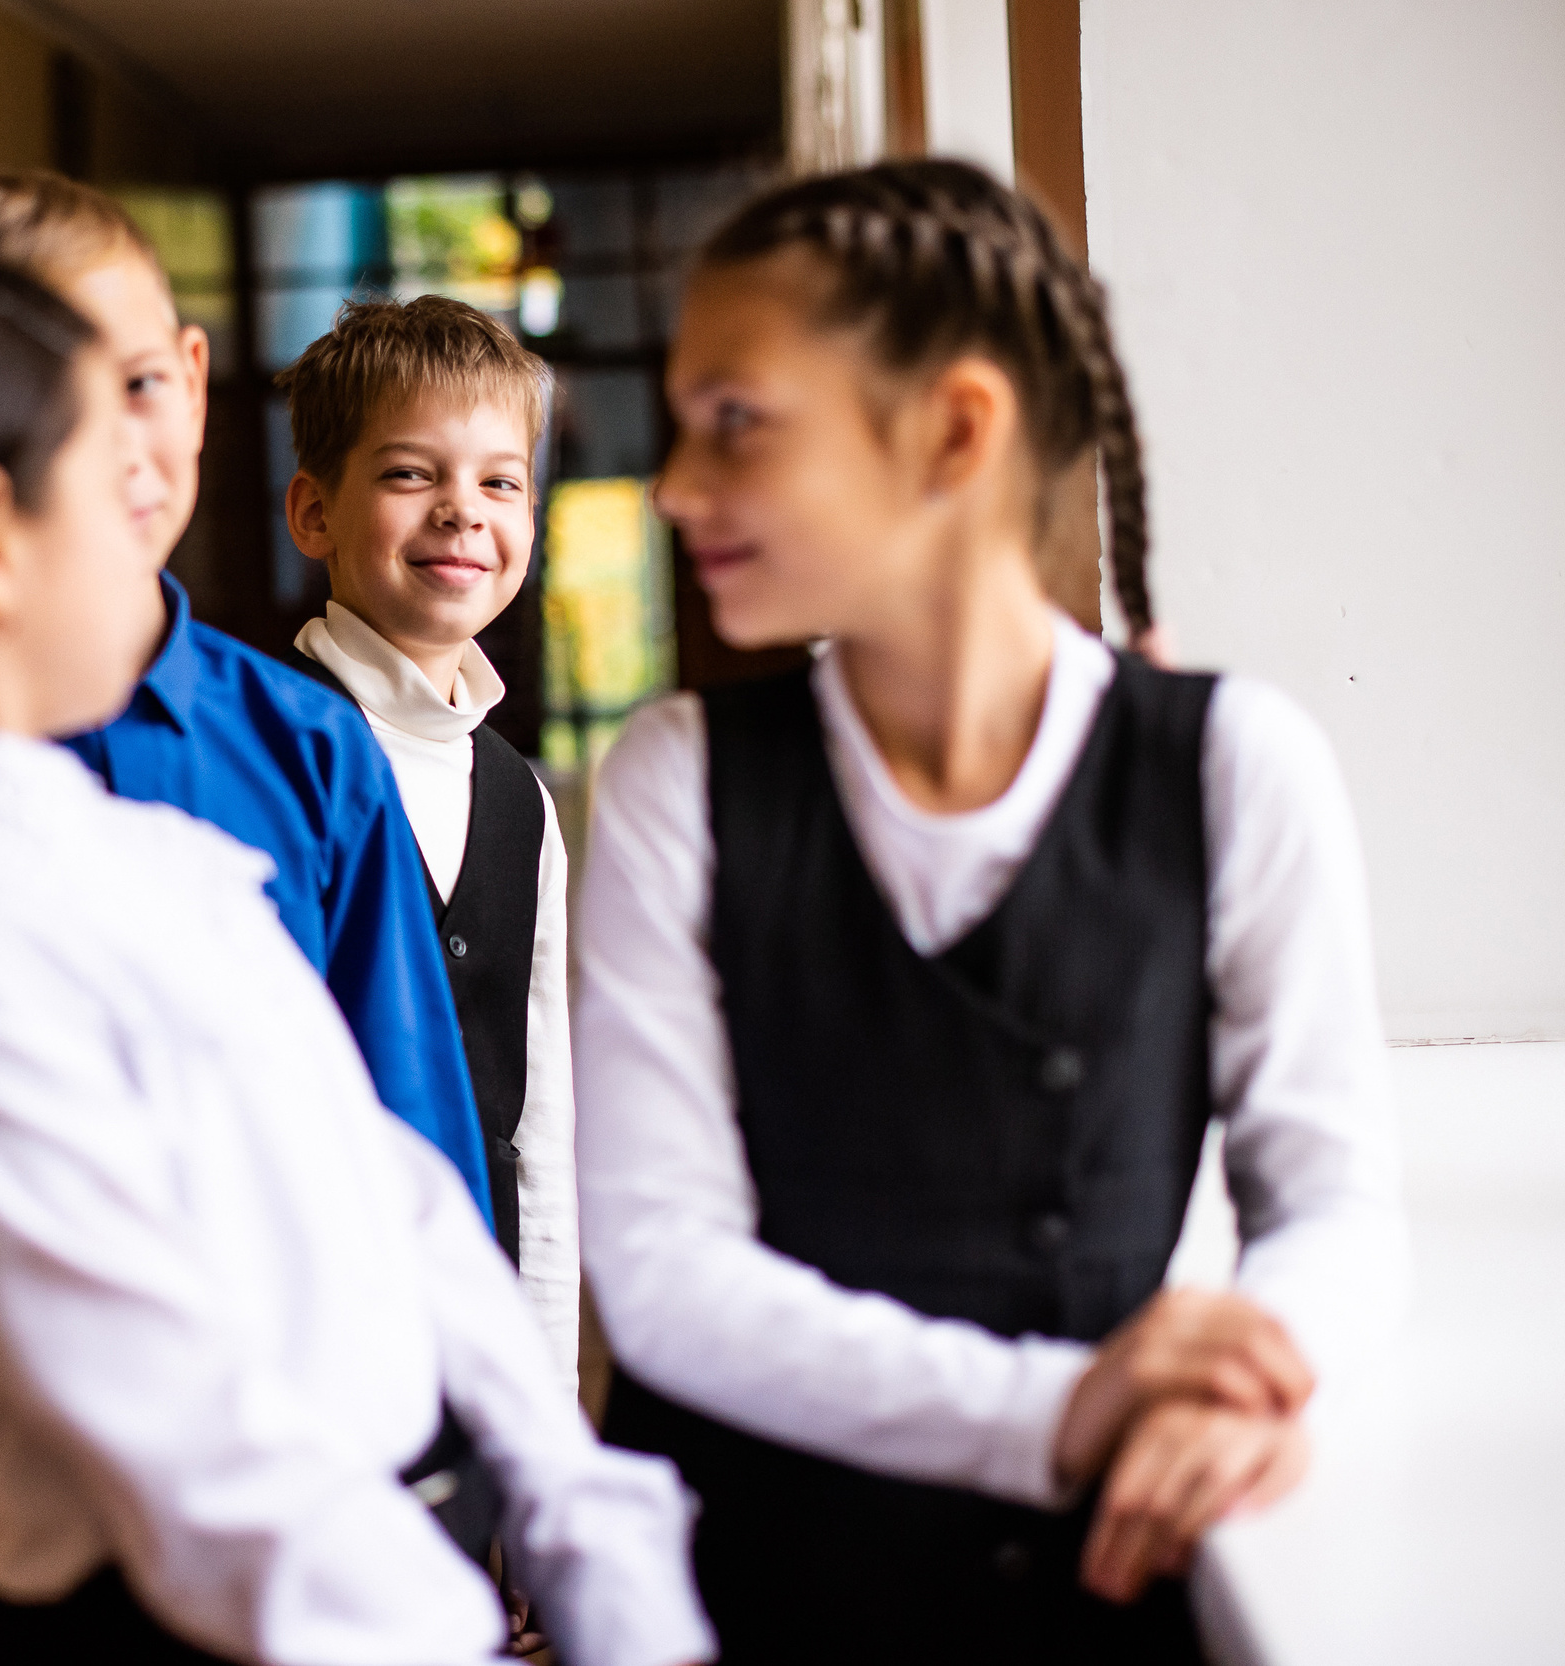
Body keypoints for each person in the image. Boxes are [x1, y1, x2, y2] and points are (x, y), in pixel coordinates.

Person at [0, 245, 712, 1666]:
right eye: (114, 478)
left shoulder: (76, 833)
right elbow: (194, 1451)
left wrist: (570, 1498)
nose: (157, 505)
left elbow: (386, 1169)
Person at [574, 159, 1407, 1663]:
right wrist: (1062, 1406)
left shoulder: (1234, 766)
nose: (675, 485)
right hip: (746, 1589)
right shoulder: (674, 779)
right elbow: (662, 1273)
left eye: (737, 423)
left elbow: (1334, 1201)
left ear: (955, 429)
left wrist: (1259, 1371)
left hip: (1091, 1585)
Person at [277, 295, 580, 1396]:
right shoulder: (265, 753)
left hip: (475, 1345)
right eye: (412, 474)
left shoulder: (518, 800)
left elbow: (537, 1124)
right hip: (303, 1343)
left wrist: (544, 1409)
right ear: (313, 511)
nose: (463, 511)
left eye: (500, 482)